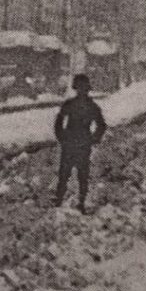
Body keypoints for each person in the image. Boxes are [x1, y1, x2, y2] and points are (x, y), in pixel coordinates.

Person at [53, 73, 108, 213]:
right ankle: (65, 201)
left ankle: (73, 202)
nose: (82, 91)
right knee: (70, 174)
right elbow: (58, 122)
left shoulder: (77, 105)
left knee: (75, 175)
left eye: (83, 88)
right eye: (80, 88)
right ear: (77, 89)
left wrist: (62, 137)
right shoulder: (89, 106)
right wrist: (93, 139)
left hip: (75, 142)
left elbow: (101, 125)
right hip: (78, 142)